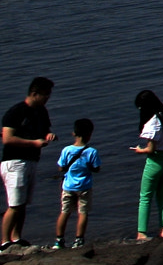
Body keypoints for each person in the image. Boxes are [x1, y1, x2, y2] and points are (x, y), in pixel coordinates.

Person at [1, 78, 56, 249]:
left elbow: (46, 130)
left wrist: (48, 136)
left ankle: (16, 237)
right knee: (15, 204)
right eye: (45, 95)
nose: (47, 98)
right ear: (34, 94)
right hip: (14, 161)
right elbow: (7, 138)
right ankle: (4, 242)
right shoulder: (16, 112)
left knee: (23, 203)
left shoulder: (42, 111)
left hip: (31, 160)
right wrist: (34, 143)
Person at [132, 91, 163, 241]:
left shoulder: (152, 122)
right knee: (162, 194)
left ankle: (142, 233)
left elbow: (150, 149)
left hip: (157, 161)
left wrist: (139, 150)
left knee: (145, 197)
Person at [54, 120, 98, 249]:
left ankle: (59, 240)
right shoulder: (92, 152)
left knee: (65, 212)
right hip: (84, 186)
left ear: (73, 133)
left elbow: (61, 168)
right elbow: (96, 168)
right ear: (89, 134)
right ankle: (78, 240)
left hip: (68, 186)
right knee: (83, 212)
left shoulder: (66, 150)